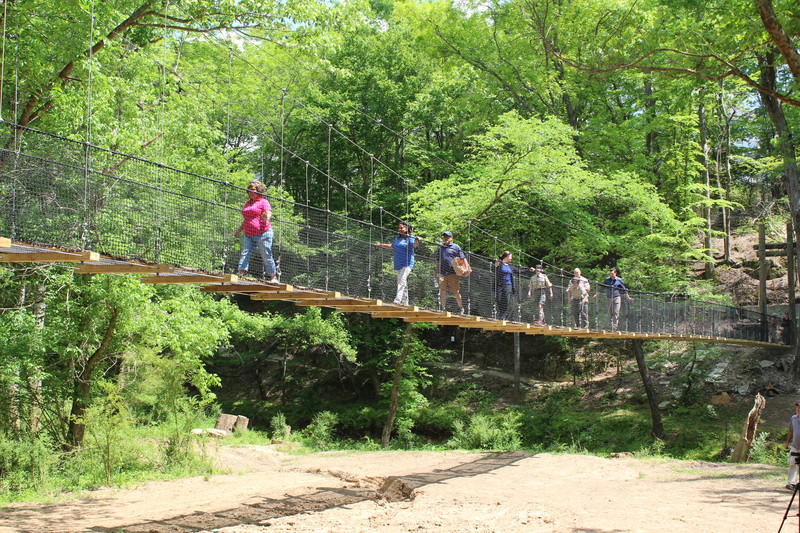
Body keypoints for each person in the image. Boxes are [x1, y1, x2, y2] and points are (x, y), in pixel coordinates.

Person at [235, 180, 277, 281]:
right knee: (244, 253)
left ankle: (273, 277)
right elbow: (246, 219)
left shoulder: (263, 201)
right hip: (248, 234)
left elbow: (268, 212)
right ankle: (240, 273)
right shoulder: (247, 203)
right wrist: (239, 230)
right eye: (249, 191)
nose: (251, 193)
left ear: (259, 190)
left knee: (266, 254)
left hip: (263, 233)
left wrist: (267, 216)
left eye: (253, 190)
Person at [374, 221, 419, 305]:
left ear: (406, 228)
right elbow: (392, 246)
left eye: (402, 228)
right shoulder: (398, 238)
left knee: (401, 281)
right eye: (399, 228)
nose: (400, 229)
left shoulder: (410, 238)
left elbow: (415, 246)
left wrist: (417, 240)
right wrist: (381, 245)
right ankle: (405, 302)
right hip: (398, 263)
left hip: (407, 264)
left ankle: (397, 300)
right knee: (402, 282)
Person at [436, 231, 466, 314]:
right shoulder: (441, 248)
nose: (446, 238)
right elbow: (438, 261)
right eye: (445, 236)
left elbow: (463, 258)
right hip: (443, 273)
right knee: (442, 290)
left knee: (455, 292)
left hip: (453, 273)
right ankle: (443, 308)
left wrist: (465, 269)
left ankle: (461, 308)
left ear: (452, 238)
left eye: (448, 237)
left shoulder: (456, 247)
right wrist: (436, 273)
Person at [496, 251, 515, 320]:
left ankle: (502, 315)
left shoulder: (511, 266)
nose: (511, 258)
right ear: (506, 257)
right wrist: (495, 266)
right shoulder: (499, 264)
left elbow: (519, 271)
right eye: (510, 257)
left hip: (508, 285)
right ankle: (503, 313)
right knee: (498, 299)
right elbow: (494, 272)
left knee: (506, 300)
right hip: (500, 284)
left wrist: (529, 269)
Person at [786, 402, 800, 490]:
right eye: (797, 408)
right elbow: (791, 431)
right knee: (792, 462)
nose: (798, 410)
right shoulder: (793, 418)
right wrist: (787, 442)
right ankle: (791, 482)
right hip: (795, 445)